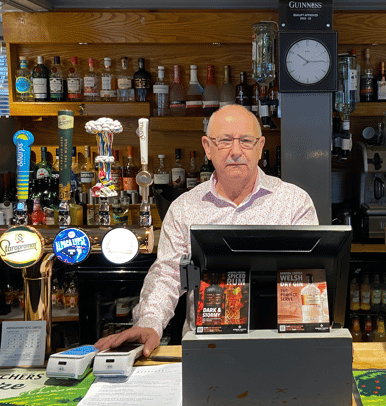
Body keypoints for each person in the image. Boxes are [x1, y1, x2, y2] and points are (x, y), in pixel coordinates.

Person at [95, 104, 318, 356]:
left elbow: (307, 279)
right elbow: (168, 275)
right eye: (224, 141)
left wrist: (321, 336)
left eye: (246, 141)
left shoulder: (294, 202)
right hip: (205, 350)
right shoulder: (184, 208)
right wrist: (150, 322)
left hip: (281, 348)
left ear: (260, 147)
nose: (236, 151)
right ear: (207, 148)